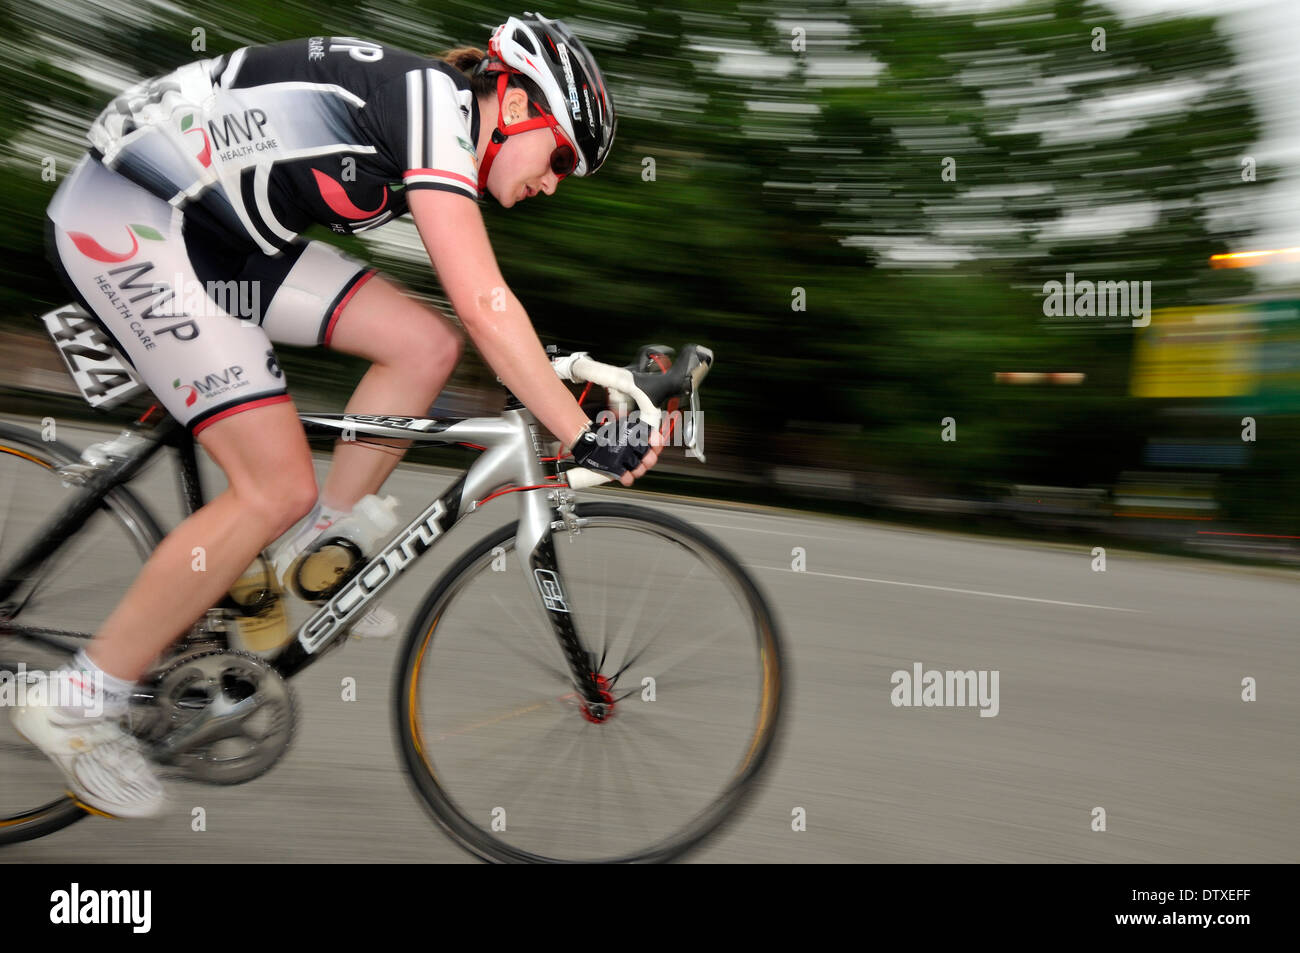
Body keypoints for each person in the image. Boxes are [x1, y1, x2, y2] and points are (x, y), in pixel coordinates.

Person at [14, 14, 661, 819]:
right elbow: (487, 298)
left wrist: (564, 374)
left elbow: (480, 318)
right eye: (562, 156)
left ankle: (312, 546)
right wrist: (580, 428)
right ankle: (77, 698)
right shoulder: (432, 105)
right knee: (269, 484)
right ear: (520, 102)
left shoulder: (429, 117)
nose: (556, 181)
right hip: (132, 215)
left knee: (424, 346)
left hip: (223, 235)